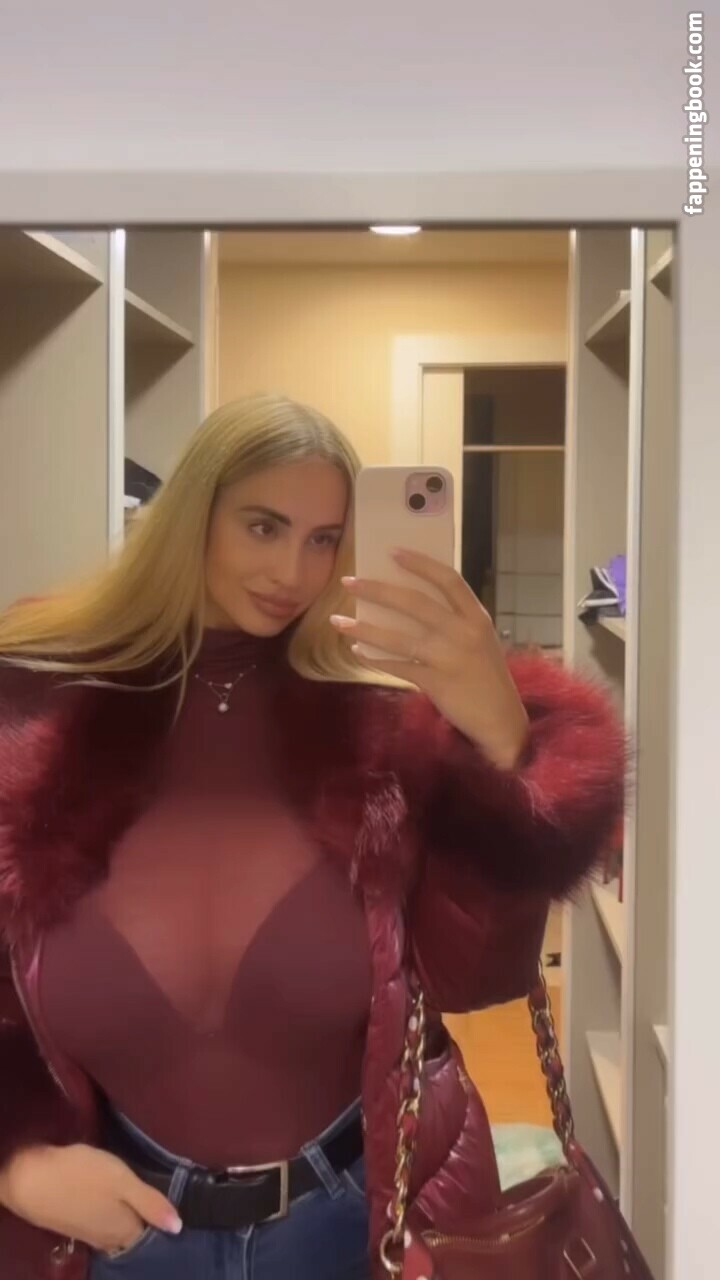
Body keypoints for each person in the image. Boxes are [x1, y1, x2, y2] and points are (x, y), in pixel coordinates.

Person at [0, 395, 625, 1280]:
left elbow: (478, 977)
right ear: (192, 517)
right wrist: (16, 1161)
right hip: (110, 1232)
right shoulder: (33, 717)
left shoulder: (378, 733)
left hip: (352, 1223)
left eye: (325, 539)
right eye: (263, 526)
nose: (292, 569)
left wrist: (499, 739)